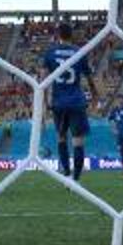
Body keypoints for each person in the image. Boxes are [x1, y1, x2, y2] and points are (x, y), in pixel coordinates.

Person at [41, 36, 93, 179]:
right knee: (78, 141)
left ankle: (66, 172)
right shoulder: (79, 52)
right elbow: (89, 77)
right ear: (71, 35)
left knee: (61, 138)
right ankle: (76, 178)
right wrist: (95, 95)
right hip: (76, 102)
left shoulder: (50, 53)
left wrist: (45, 103)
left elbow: (43, 80)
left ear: (59, 36)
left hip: (58, 103)